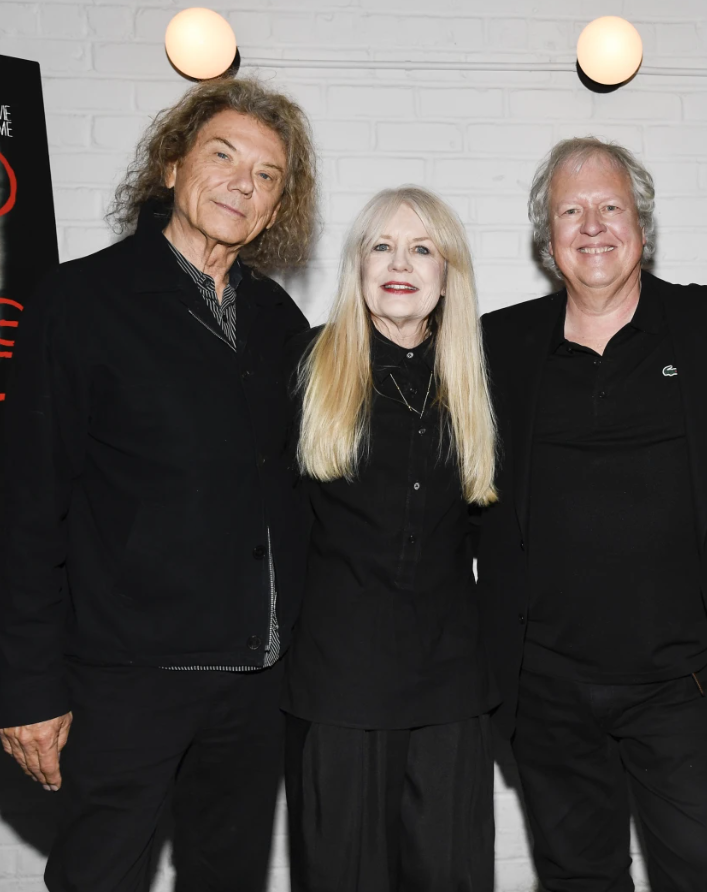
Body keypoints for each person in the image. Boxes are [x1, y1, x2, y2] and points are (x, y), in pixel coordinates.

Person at [0, 78, 318, 891]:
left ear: (278, 206)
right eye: (224, 155)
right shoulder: (81, 299)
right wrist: (26, 687)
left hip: (257, 682)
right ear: (171, 166)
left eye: (268, 175)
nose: (244, 182)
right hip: (124, 683)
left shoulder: (280, 324)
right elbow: (26, 507)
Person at [478, 137, 707, 892]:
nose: (592, 225)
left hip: (682, 683)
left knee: (700, 872)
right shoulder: (494, 347)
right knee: (578, 878)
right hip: (544, 687)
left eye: (611, 207)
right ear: (547, 240)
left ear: (642, 226)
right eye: (571, 211)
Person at [282, 186, 499, 892]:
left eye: (421, 248)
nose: (399, 262)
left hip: (448, 687)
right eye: (381, 245)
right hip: (337, 687)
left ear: (447, 274)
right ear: (358, 266)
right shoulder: (307, 369)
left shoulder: (478, 381)